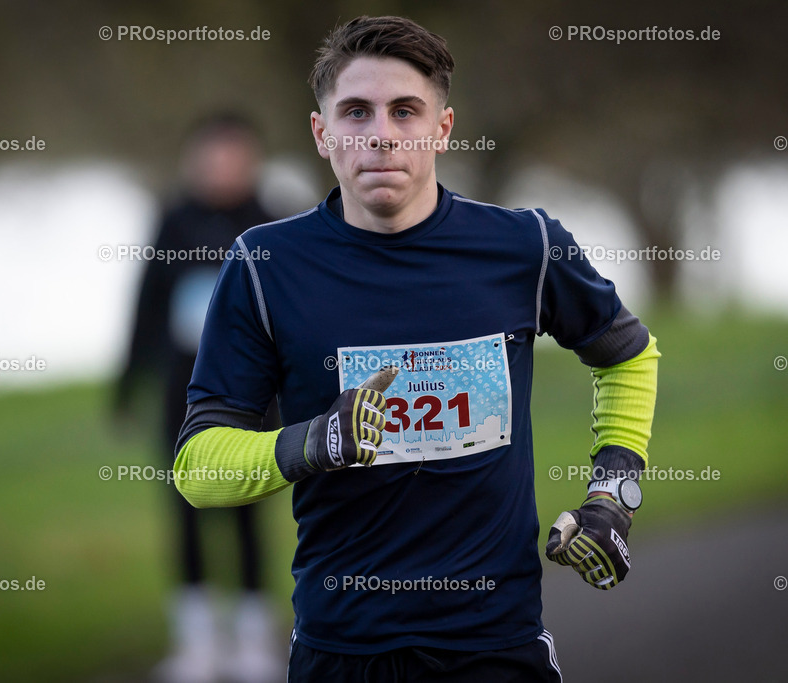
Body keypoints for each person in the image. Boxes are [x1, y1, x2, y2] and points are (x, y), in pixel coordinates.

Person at [173, 16, 660, 682]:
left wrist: (613, 494)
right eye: (355, 112)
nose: (381, 133)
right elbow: (198, 466)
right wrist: (315, 442)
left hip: (497, 644)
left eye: (406, 110)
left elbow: (628, 354)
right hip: (342, 650)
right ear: (322, 134)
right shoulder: (264, 265)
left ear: (443, 128)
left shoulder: (524, 247)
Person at [115, 112, 281, 683]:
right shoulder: (173, 221)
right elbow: (144, 307)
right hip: (180, 397)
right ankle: (197, 644)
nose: (220, 169)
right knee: (184, 514)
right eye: (210, 158)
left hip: (256, 400)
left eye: (233, 158)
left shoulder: (271, 223)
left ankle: (255, 641)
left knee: (247, 515)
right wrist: (126, 386)